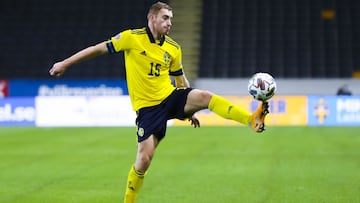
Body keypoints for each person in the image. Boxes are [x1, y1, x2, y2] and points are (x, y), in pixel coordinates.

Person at [49, 2, 269, 202]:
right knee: (144, 160)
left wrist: (189, 110)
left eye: (171, 19)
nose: (169, 23)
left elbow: (180, 79)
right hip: (148, 109)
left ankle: (251, 119)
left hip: (170, 97)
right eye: (165, 18)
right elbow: (96, 49)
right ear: (152, 18)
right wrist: (65, 63)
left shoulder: (173, 48)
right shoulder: (131, 38)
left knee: (205, 97)